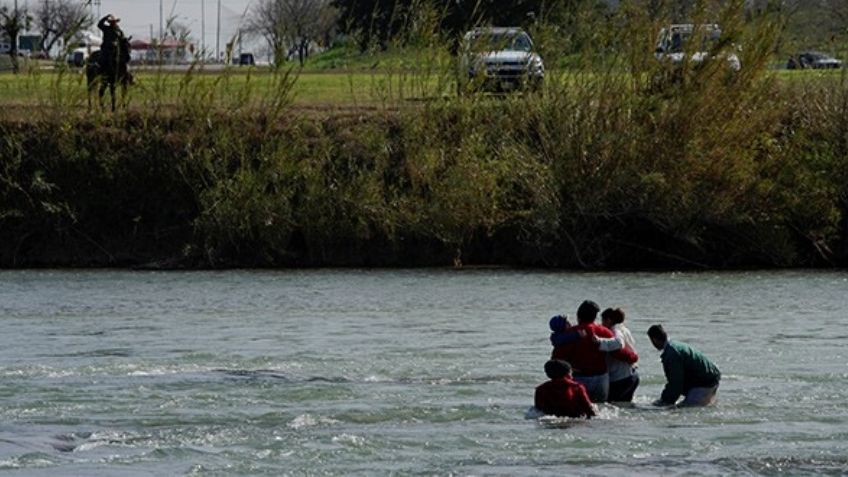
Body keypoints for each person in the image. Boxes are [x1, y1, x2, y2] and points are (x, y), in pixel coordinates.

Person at [551, 300, 637, 403]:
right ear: (595, 317)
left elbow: (556, 358)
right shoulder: (604, 331)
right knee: (601, 407)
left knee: (580, 407)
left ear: (578, 316)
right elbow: (617, 353)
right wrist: (633, 357)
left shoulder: (570, 334)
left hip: (579, 378)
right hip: (601, 379)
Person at [647, 324, 721, 407]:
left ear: (654, 340)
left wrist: (664, 402)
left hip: (704, 384)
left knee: (682, 410)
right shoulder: (674, 346)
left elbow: (675, 384)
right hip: (710, 380)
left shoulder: (672, 354)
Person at [599, 308, 639, 402]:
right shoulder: (625, 329)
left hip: (619, 378)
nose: (601, 324)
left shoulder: (615, 332)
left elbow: (618, 344)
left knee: (613, 405)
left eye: (603, 321)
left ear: (609, 320)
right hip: (632, 374)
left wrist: (598, 342)